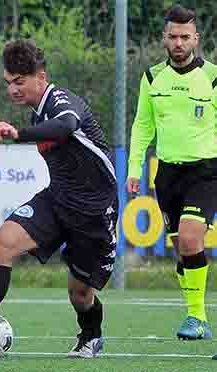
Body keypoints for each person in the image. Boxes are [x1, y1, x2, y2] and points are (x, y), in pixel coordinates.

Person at [0, 40, 118, 358]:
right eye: (8, 83)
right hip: (58, 201)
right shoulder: (37, 115)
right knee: (1, 243)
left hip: (94, 212)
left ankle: (91, 335)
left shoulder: (61, 100)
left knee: (80, 293)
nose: (13, 90)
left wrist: (18, 134)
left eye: (20, 81)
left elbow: (66, 125)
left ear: (40, 77)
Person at [127, 4, 217, 340]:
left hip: (206, 172)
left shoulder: (212, 77)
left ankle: (198, 318)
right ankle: (194, 313)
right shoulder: (152, 78)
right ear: (164, 39)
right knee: (183, 248)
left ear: (196, 38)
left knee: (192, 239)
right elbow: (142, 126)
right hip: (167, 175)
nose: (178, 42)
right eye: (172, 36)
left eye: (185, 36)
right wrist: (134, 167)